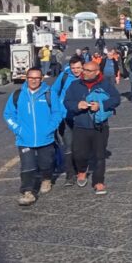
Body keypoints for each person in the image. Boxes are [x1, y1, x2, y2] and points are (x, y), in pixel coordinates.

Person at [3, 67, 62, 206]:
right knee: (27, 167)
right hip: (25, 139)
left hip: (46, 138)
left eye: (37, 78)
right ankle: (27, 192)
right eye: (31, 78)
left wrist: (50, 128)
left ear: (41, 79)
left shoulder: (49, 93)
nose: (34, 80)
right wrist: (18, 129)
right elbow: (8, 114)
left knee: (46, 164)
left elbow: (57, 113)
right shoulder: (17, 95)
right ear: (26, 78)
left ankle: (46, 179)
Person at [63, 61, 121, 195]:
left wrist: (101, 105)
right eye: (84, 70)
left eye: (89, 71)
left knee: (100, 155)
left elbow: (116, 99)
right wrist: (77, 105)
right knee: (79, 154)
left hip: (100, 126)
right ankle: (82, 170)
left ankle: (98, 181)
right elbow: (67, 102)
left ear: (97, 72)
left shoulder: (105, 84)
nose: (85, 72)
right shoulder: (75, 85)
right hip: (80, 125)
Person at [52, 56, 84, 186]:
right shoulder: (64, 76)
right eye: (73, 68)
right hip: (64, 117)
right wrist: (57, 109)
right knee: (68, 146)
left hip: (82, 117)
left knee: (81, 146)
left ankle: (80, 170)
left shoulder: (87, 76)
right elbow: (54, 91)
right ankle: (70, 175)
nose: (76, 71)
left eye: (78, 68)